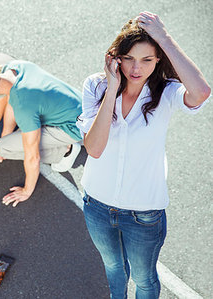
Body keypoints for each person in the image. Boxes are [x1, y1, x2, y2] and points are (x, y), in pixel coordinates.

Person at [77, 12, 210, 298]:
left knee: (144, 279)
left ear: (158, 59)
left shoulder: (167, 92)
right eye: (129, 59)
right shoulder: (97, 86)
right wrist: (113, 87)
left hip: (144, 213)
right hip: (97, 206)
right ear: (117, 58)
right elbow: (95, 148)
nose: (136, 68)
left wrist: (165, 39)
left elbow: (200, 93)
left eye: (147, 59)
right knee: (113, 267)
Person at [0, 57, 83, 206]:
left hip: (75, 128)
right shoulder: (15, 68)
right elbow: (10, 104)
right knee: (4, 142)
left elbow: (32, 157)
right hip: (80, 106)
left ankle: (66, 151)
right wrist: (6, 136)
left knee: (5, 148)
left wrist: (27, 190)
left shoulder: (24, 105)